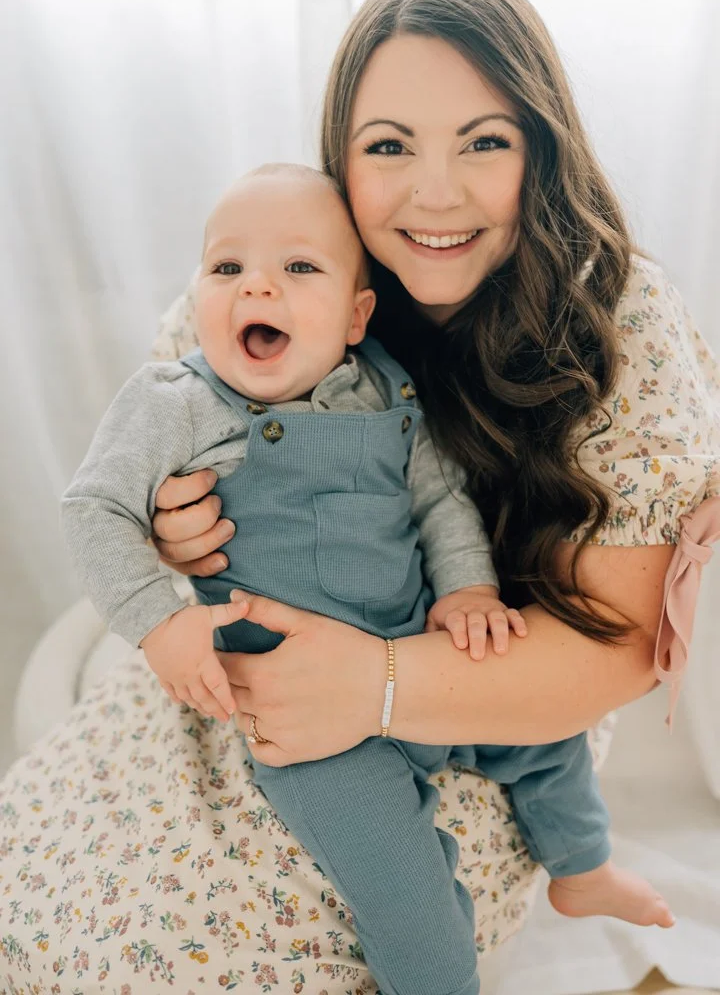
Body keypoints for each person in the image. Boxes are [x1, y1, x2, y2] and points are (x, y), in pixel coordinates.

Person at [1, 0, 718, 993]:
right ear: (340, 159)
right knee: (116, 919)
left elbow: (605, 642)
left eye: (486, 141)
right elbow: (142, 456)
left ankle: (578, 869)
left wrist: (386, 677)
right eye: (389, 147)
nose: (436, 190)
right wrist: (175, 529)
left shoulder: (616, 322)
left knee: (392, 897)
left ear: (542, 148)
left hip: (487, 666)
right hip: (257, 669)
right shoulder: (295, 270)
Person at [61, 162, 674, 995]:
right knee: (408, 893)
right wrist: (157, 621)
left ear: (356, 317)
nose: (258, 291)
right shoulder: (176, 401)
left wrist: (467, 592)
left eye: (299, 269)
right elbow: (92, 507)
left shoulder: (386, 385)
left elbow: (440, 498)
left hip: (422, 654)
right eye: (227, 268)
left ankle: (582, 866)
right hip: (307, 717)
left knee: (547, 735)